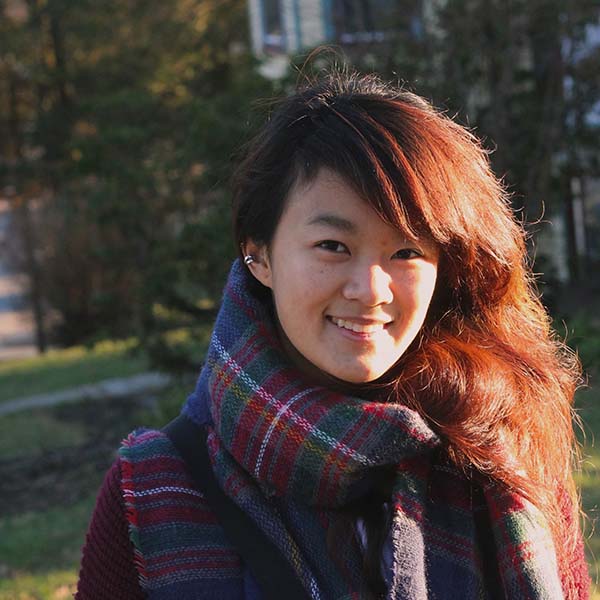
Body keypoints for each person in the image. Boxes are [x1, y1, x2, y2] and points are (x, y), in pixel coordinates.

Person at [76, 70, 590, 599]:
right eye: (332, 246)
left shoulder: (501, 451)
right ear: (259, 253)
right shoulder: (154, 492)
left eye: (407, 252)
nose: (370, 290)